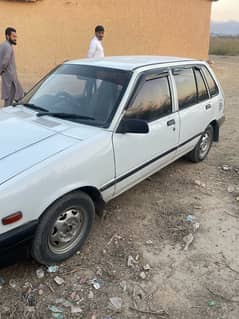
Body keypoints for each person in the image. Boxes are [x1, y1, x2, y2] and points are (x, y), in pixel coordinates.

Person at [0, 27, 24, 107]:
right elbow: (4, 62)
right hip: (11, 80)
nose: (15, 38)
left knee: (21, 97)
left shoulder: (3, 45)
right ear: (7, 36)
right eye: (13, 36)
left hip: (10, 78)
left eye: (15, 36)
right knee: (9, 104)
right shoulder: (8, 47)